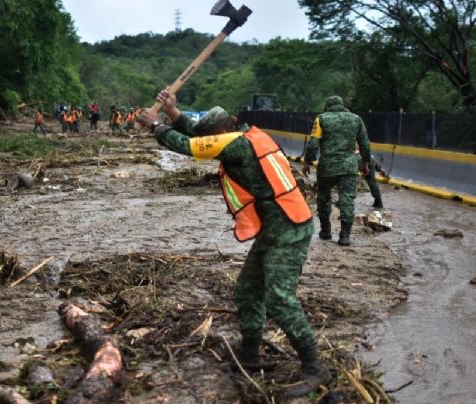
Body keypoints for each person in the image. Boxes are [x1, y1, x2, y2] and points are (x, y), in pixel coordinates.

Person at [138, 89, 331, 398]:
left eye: (211, 136)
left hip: (289, 229)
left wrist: (155, 125)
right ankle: (251, 354)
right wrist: (173, 113)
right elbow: (199, 136)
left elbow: (191, 146)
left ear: (222, 131)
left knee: (279, 298)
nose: (210, 140)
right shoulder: (243, 135)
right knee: (247, 291)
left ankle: (314, 366)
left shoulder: (239, 147)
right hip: (274, 227)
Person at [302, 96, 370, 246]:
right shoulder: (356, 119)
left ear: (327, 107)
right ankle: (344, 236)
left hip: (327, 167)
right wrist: (365, 163)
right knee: (347, 200)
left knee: (324, 197)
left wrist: (308, 162)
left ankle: (326, 231)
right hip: (349, 167)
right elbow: (365, 143)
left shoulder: (321, 119)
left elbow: (313, 143)